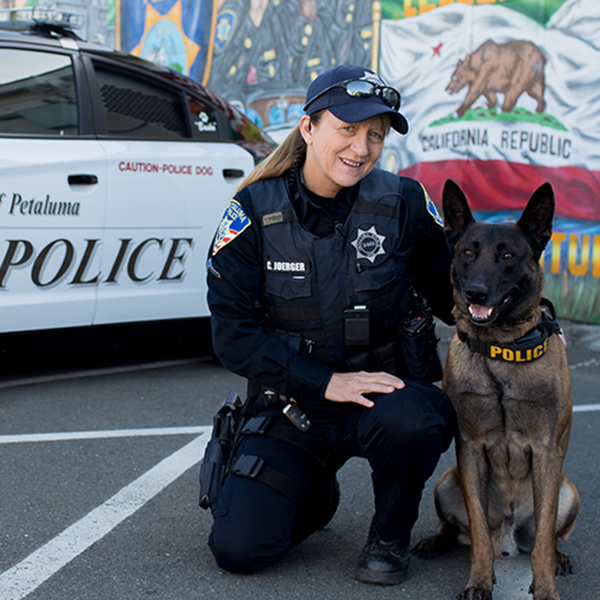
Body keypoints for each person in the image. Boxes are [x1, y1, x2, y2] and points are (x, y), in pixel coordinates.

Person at [204, 64, 456, 585]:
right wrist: (326, 382)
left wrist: (527, 317)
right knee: (238, 550)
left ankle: (390, 536)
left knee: (413, 420)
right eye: (347, 128)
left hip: (383, 397)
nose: (361, 148)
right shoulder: (252, 210)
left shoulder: (405, 203)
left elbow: (455, 297)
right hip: (295, 405)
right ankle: (312, 494)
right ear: (309, 128)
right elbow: (234, 337)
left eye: (375, 136)